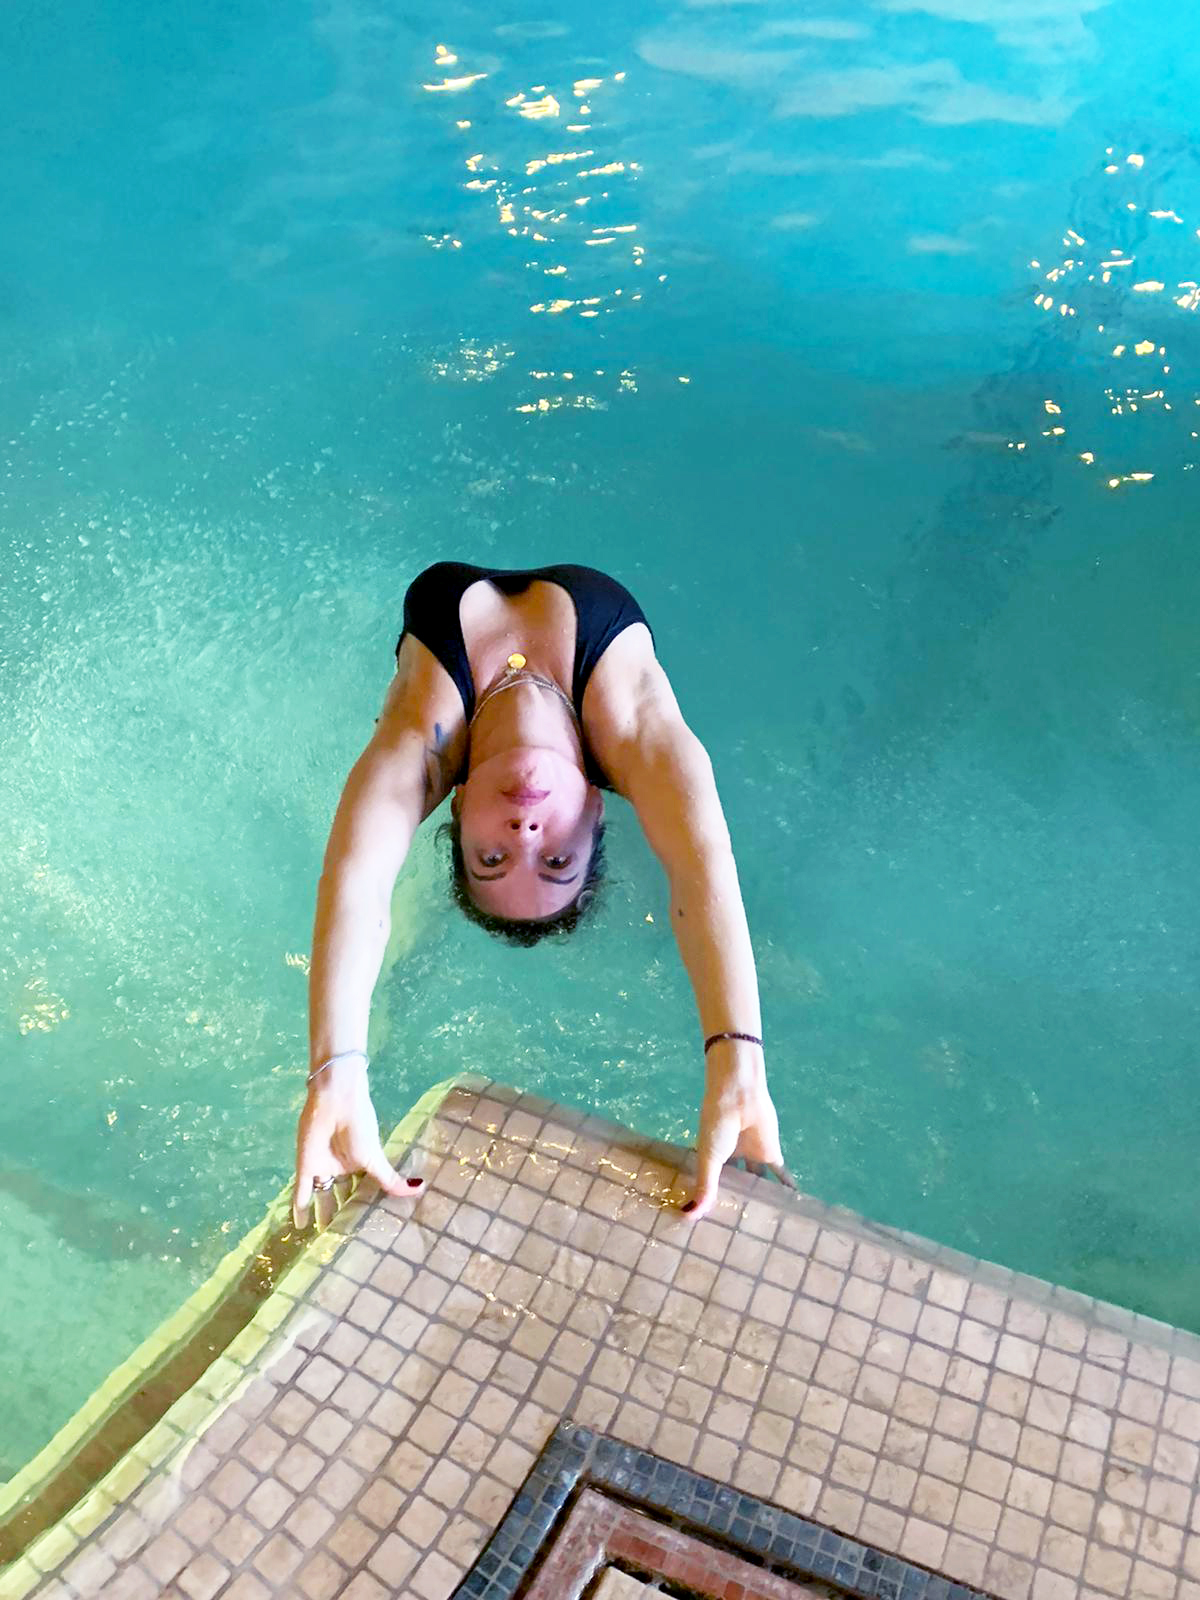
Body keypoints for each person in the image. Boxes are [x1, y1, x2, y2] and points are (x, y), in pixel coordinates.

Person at [292, 562, 792, 1229]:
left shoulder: (424, 739)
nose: (526, 831)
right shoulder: (633, 730)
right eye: (555, 859)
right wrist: (738, 1064)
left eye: (491, 858)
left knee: (397, 913)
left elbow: (357, 879)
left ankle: (407, 970)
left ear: (454, 805)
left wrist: (336, 1068)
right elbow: (701, 867)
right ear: (597, 808)